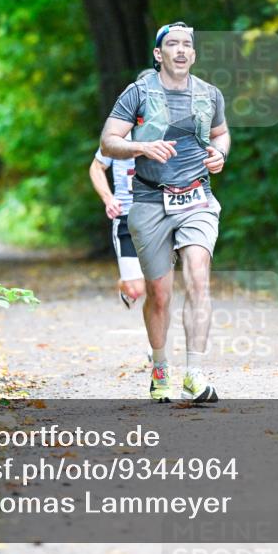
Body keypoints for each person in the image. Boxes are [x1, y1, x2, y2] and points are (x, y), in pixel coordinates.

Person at [100, 22, 230, 403]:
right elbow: (108, 142)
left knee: (198, 276)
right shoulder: (138, 92)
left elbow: (221, 133)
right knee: (159, 294)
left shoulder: (209, 94)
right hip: (149, 200)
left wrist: (220, 153)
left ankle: (195, 373)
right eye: (172, 44)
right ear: (159, 54)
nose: (181, 50)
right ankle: (160, 368)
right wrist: (141, 148)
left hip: (197, 198)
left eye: (187, 44)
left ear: (194, 54)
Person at [89, 139, 146, 309]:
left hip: (159, 216)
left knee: (158, 285)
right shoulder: (117, 136)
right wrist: (109, 199)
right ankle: (125, 283)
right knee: (135, 289)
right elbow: (96, 167)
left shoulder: (166, 130)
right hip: (126, 216)